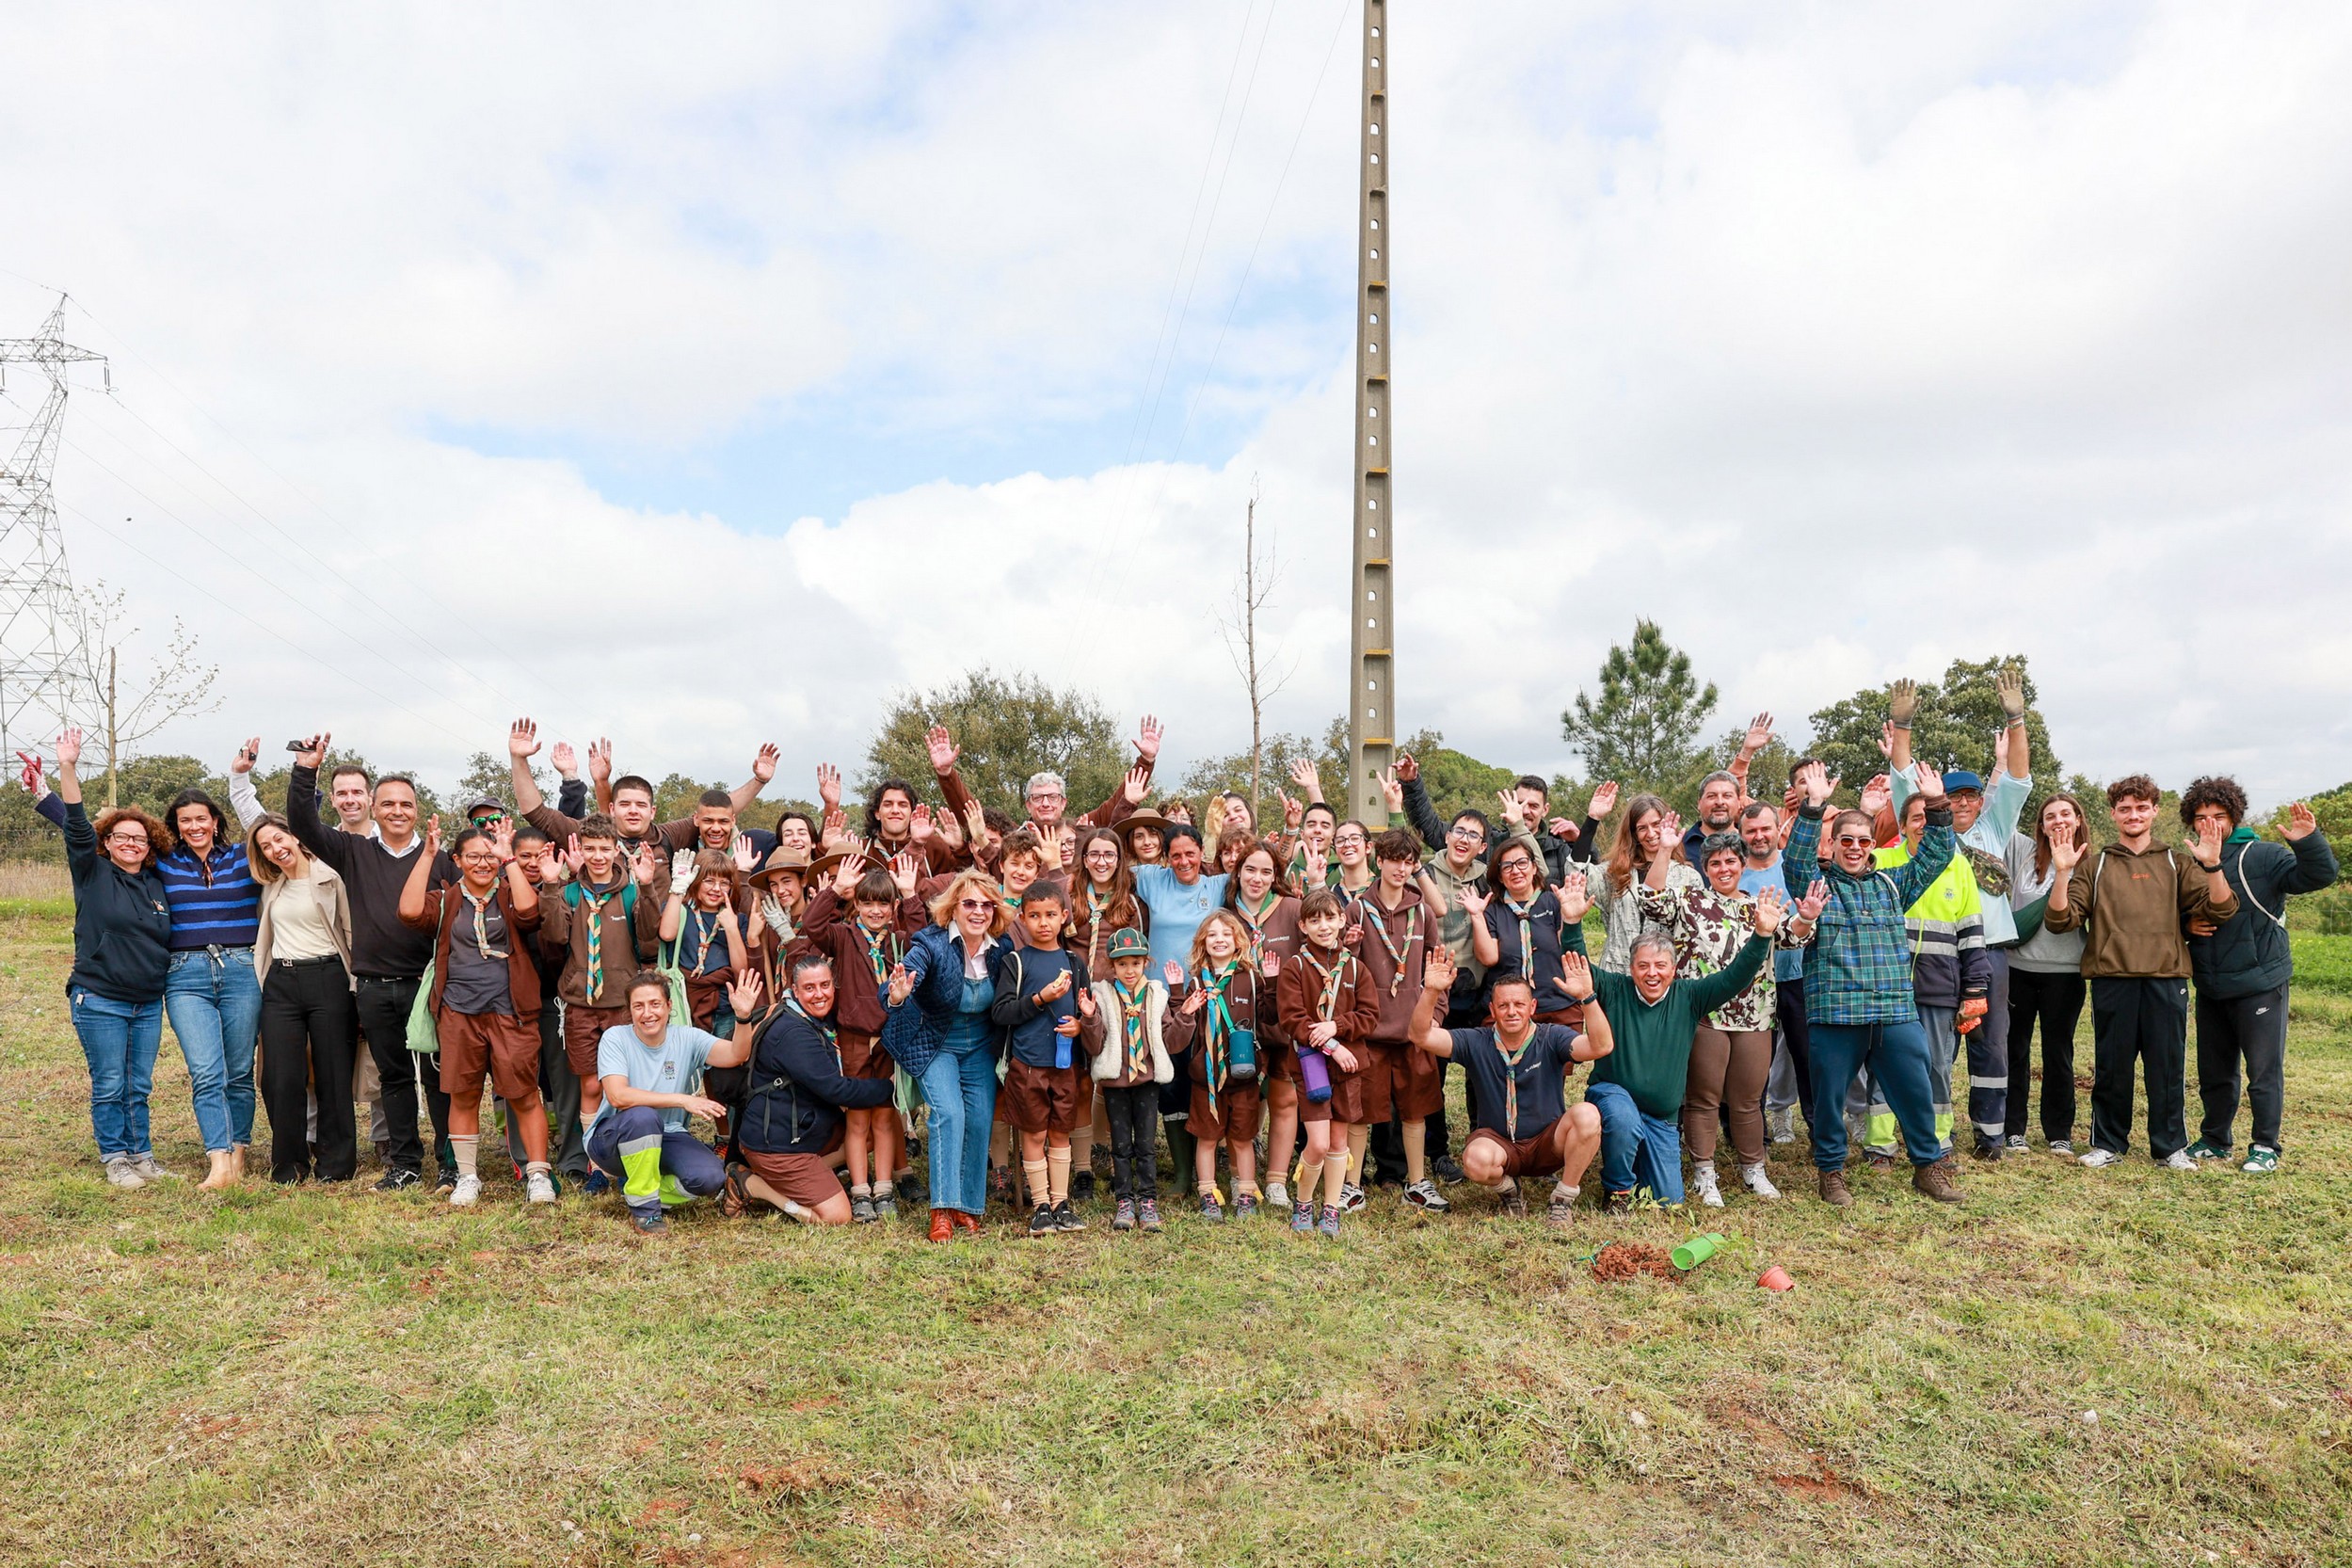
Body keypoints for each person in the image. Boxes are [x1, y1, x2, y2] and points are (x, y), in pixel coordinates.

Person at [1782, 760, 1964, 1206]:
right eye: (1846, 840)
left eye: (1863, 840)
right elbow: (1795, 858)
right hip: (1836, 1012)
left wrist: (1938, 804)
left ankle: (1927, 1167)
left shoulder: (1892, 883)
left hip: (1893, 1010)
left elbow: (1938, 855)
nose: (1855, 847)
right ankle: (1830, 1173)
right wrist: (1815, 806)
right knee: (1828, 1099)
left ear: (1873, 844)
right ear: (1834, 843)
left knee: (1917, 1090)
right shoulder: (1817, 883)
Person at [286, 733, 459, 1192]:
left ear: (416, 810)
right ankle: (404, 1162)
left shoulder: (440, 860)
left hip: (430, 987)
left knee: (439, 1078)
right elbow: (303, 823)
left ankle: (450, 1162)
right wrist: (306, 771)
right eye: (388, 804)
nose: (397, 811)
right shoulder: (353, 852)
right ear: (374, 809)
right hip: (376, 987)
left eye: (406, 804)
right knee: (395, 1078)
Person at [2043, 775, 2237, 1170]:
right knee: (2112, 1067)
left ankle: (2170, 1148)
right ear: (2113, 813)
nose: (2134, 815)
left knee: (2166, 1067)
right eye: (2125, 808)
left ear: (2155, 811)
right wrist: (2063, 872)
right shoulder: (2095, 865)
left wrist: (2213, 863)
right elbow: (2060, 920)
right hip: (2112, 979)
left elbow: (2221, 909)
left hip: (2166, 979)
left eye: (2142, 807)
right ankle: (2108, 1144)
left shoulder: (2177, 860)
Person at [1885, 670, 2036, 1158]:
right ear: (1939, 803)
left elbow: (2015, 779)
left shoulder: (1994, 829)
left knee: (1990, 1045)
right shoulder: (1924, 838)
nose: (1964, 802)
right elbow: (1903, 781)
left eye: (1972, 795)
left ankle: (1990, 1133)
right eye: (1954, 796)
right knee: (1931, 1051)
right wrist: (1902, 728)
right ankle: (1932, 1133)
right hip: (1929, 957)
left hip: (1987, 955)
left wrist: (2017, 719)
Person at [1569, 881, 1778, 1210]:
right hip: (1612, 1096)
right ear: (1631, 968)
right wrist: (1571, 922)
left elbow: (1736, 977)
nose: (1652, 974)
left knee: (1669, 1200)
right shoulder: (1614, 988)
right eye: (1643, 966)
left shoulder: (1689, 997)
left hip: (1662, 1118)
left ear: (1674, 968)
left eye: (1660, 966)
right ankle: (1617, 1191)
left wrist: (1762, 935)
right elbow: (1577, 965)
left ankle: (1634, 1159)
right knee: (1623, 1120)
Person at [1638, 835, 1820, 1205]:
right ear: (1705, 869)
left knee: (1748, 1100)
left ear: (1742, 865)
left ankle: (1754, 1169)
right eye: (1716, 863)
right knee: (1703, 1098)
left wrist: (1806, 917)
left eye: (1731, 862)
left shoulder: (1759, 907)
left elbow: (1792, 936)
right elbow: (1652, 899)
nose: (1724, 869)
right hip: (1705, 1016)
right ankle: (1705, 1173)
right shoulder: (1690, 903)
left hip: (1755, 1015)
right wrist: (1661, 852)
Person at [2179, 782, 2337, 1173]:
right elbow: (2170, 912)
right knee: (2214, 1072)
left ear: (2234, 816)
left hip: (2260, 981)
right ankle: (2215, 1140)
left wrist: (2309, 842)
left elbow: (2318, 876)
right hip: (2211, 983)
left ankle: (2265, 1145)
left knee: (2263, 1071)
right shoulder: (2191, 861)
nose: (2209, 825)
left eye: (2218, 817)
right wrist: (2187, 924)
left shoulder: (2263, 855)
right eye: (2201, 818)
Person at [397, 814, 554, 1206]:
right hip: (459, 1013)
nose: (482, 863)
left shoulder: (506, 890)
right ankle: (468, 1175)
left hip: (510, 1013)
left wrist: (510, 860)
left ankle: (537, 1175)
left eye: (488, 856)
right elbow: (409, 911)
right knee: (463, 1095)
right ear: (458, 860)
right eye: (473, 856)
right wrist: (427, 854)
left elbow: (531, 914)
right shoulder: (449, 898)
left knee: (523, 1094)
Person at [48, 728, 174, 1189]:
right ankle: (115, 1157)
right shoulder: (92, 871)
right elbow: (76, 823)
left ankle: (142, 1154)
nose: (130, 844)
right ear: (107, 841)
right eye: (121, 837)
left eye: (140, 839)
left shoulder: (158, 885)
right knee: (110, 1085)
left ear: (151, 845)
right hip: (99, 998)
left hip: (146, 1003)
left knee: (138, 1086)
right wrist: (68, 767)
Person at [1405, 945, 1609, 1224]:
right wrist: (1430, 992)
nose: (1511, 1012)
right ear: (1492, 1009)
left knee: (1588, 1114)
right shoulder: (1476, 1041)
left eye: (1519, 1005)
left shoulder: (1551, 1037)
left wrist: (1587, 997)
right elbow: (1421, 1036)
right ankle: (1509, 1191)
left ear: (1532, 1007)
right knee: (1474, 1160)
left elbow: (1601, 1045)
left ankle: (1563, 1198)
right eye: (1503, 1005)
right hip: (1500, 1143)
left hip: (1548, 1142)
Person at [1853, 783, 1992, 1162]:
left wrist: (1975, 987)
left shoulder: (1958, 865)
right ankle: (1880, 1144)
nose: (1923, 825)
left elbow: (1972, 931)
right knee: (1884, 1067)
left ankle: (1937, 1143)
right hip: (1888, 989)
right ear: (1903, 825)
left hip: (1939, 987)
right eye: (1916, 818)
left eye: (1929, 818)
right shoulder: (1882, 861)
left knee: (1937, 1068)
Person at [882, 868, 1015, 1240]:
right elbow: (910, 972)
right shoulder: (931, 942)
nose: (978, 912)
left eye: (986, 905)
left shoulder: (1001, 947)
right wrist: (897, 993)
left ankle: (967, 1207)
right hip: (936, 1042)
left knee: (979, 1118)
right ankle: (941, 1209)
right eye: (969, 903)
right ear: (953, 907)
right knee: (948, 1114)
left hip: (979, 1047)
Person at [796, 853, 928, 1222]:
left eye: (883, 903)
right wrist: (835, 890)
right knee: (857, 1119)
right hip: (854, 1039)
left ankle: (884, 1188)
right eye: (867, 903)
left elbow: (924, 939)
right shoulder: (843, 936)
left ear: (893, 907)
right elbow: (813, 924)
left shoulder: (899, 941)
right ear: (856, 905)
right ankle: (860, 1190)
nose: (875, 910)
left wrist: (910, 895)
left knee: (886, 1117)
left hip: (890, 1039)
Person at [535, 816, 662, 1190]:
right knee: (590, 1085)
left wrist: (648, 885)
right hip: (581, 1002)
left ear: (615, 849)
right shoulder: (573, 892)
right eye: (589, 849)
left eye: (604, 848)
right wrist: (552, 883)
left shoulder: (630, 891)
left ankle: (625, 1159)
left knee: (622, 1085)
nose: (597, 856)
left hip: (622, 1003)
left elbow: (650, 934)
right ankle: (596, 1166)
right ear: (580, 850)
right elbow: (555, 935)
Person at [588, 970, 762, 1232]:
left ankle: (641, 1190)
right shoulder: (616, 1038)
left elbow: (736, 1055)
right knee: (643, 1116)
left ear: (669, 1006)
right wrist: (682, 1100)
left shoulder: (687, 1037)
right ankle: (646, 1213)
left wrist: (742, 1017)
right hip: (614, 1140)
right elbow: (618, 1096)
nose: (648, 1013)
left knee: (710, 1178)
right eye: (639, 1006)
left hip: (669, 1136)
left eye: (655, 1004)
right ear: (630, 1011)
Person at [730, 953, 891, 1225]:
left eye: (825, 985)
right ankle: (754, 1186)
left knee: (864, 1139)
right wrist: (889, 1089)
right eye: (809, 988)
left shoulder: (808, 1018)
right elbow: (835, 1089)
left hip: (800, 1130)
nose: (820, 994)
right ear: (795, 990)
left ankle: (804, 1177)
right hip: (778, 1147)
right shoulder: (793, 1033)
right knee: (837, 1216)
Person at [248, 812, 360, 1184]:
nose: (276, 849)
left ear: (295, 836)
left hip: (327, 977)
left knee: (332, 1073)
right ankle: (288, 1163)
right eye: (266, 846)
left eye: (279, 839)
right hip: (281, 981)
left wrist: (357, 985)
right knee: (280, 1077)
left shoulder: (329, 877)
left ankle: (336, 1163)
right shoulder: (272, 885)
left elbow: (349, 930)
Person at [1347, 829, 1451, 1213]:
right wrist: (1350, 945)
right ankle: (1350, 1184)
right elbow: (1344, 972)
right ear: (1379, 860)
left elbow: (1436, 970)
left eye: (1409, 862)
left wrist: (1435, 1017)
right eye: (1395, 860)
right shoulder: (1357, 909)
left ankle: (1416, 1181)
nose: (1401, 868)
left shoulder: (1422, 911)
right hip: (1369, 1032)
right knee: (1359, 1112)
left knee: (1415, 1109)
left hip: (1413, 1031)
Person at [1275, 887, 1380, 1238]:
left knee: (1338, 1143)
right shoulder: (1295, 967)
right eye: (1314, 919)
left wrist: (1338, 1025)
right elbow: (1292, 1019)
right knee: (1317, 1143)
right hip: (1311, 1066)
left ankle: (1331, 1208)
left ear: (1342, 921)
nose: (1323, 926)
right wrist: (1334, 1045)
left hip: (1349, 1069)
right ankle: (1304, 1202)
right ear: (1303, 926)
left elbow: (1369, 1015)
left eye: (1330, 918)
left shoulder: (1356, 968)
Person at [989, 881, 1090, 1235]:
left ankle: (1061, 1203)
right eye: (1034, 916)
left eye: (1050, 915)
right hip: (1027, 1066)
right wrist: (1040, 999)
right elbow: (1001, 1013)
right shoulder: (1014, 962)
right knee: (1033, 1135)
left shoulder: (1074, 963)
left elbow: (1085, 1009)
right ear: (1022, 918)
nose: (1043, 923)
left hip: (1064, 1066)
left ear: (1064, 917)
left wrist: (1081, 1026)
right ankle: (1041, 1206)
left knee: (1061, 1133)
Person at [2002, 792, 2091, 1154]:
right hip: (2018, 968)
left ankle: (2059, 1132)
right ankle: (2013, 1129)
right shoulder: (2023, 854)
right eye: (2050, 816)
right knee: (2015, 1050)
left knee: (2058, 1052)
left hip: (2065, 971)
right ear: (2040, 826)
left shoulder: (2092, 864)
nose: (2058, 821)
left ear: (2079, 819)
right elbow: (2001, 813)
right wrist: (2003, 766)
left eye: (2066, 814)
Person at [1077, 927, 1180, 1232]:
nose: (1129, 970)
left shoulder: (1157, 995)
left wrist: (1184, 1013)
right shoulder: (1103, 995)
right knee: (1120, 1144)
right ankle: (1124, 1198)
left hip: (1146, 1079)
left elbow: (1169, 1038)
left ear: (1145, 963)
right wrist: (1090, 1017)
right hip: (1115, 1081)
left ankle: (1147, 1199)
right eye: (1122, 964)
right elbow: (1095, 1045)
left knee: (1146, 1144)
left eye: (1135, 963)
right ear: (1112, 965)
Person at [1172, 909, 1270, 1220]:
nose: (1219, 940)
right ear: (1203, 942)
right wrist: (1180, 997)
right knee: (1208, 1136)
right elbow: (1182, 1029)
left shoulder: (1252, 980)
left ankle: (1245, 1193)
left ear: (1238, 942)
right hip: (1207, 1078)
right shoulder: (1197, 981)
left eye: (1226, 934)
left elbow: (1267, 1019)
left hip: (1244, 1075)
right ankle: (1208, 1193)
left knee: (1242, 1137)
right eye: (1212, 935)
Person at [1224, 841, 1302, 1209]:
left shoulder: (1293, 910)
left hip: (1282, 1019)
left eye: (1266, 871)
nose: (1257, 878)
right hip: (1237, 1020)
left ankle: (1276, 1181)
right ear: (1237, 871)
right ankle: (1243, 1178)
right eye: (1250, 870)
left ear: (1277, 876)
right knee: (1242, 1098)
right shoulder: (1225, 914)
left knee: (1284, 1097)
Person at [1743, 798, 1816, 1147]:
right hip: (1758, 984)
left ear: (1778, 829)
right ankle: (1757, 1138)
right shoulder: (1734, 874)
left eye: (1765, 829)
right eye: (1751, 831)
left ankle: (1820, 1133)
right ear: (1742, 834)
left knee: (1809, 1058)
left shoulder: (1798, 867)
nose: (1759, 836)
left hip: (1801, 979)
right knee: (1756, 1064)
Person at [1591, 792, 1699, 972]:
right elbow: (1576, 876)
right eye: (1642, 828)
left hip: (1662, 977)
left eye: (1657, 824)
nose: (1651, 833)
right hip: (1617, 975)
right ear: (1633, 834)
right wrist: (1592, 819)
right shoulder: (1613, 871)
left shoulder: (1689, 877)